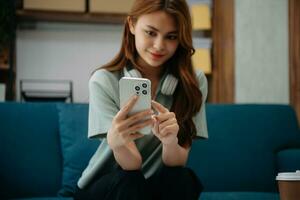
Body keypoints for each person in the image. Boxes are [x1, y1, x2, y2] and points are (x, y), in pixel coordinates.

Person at [74, 0, 208, 199]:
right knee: (129, 182)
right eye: (151, 32)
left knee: (183, 178)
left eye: (171, 37)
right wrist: (118, 143)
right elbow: (132, 165)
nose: (159, 46)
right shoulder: (104, 81)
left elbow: (178, 161)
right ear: (132, 25)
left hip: (153, 186)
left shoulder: (194, 82)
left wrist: (170, 142)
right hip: (110, 185)